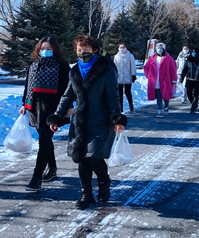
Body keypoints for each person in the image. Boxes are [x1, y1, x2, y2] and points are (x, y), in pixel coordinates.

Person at [47, 35, 126, 209]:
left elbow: (113, 97)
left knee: (94, 157)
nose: (82, 53)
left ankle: (104, 181)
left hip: (100, 120)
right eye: (79, 50)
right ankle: (86, 194)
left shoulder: (106, 70)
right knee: (81, 158)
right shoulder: (74, 71)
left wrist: (117, 119)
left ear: (95, 50)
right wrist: (58, 116)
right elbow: (67, 96)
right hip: (80, 121)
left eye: (86, 50)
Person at [19, 37, 71, 192]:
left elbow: (69, 89)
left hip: (52, 109)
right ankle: (52, 167)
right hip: (35, 108)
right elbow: (28, 85)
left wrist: (68, 107)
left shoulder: (62, 66)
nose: (45, 51)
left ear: (55, 50)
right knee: (45, 140)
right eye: (42, 48)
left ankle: (37, 177)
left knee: (44, 140)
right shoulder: (34, 64)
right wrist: (24, 104)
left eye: (48, 49)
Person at [144, 42, 177, 118]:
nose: (159, 50)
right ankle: (159, 109)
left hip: (165, 80)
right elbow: (146, 67)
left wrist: (174, 79)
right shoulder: (152, 58)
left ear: (164, 49)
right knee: (158, 95)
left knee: (165, 95)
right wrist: (149, 76)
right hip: (156, 81)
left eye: (161, 48)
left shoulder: (169, 58)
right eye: (158, 48)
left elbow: (173, 69)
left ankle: (166, 106)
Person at [179, 48, 199, 114]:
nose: (193, 53)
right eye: (192, 52)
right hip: (189, 79)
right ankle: (194, 103)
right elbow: (184, 70)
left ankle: (193, 108)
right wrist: (181, 78)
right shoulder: (188, 61)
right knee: (189, 93)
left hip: (198, 80)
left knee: (196, 94)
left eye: (194, 52)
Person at [113, 43, 137, 114]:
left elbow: (133, 66)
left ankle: (131, 105)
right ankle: (120, 108)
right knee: (119, 93)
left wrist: (133, 75)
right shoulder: (116, 56)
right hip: (119, 77)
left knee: (127, 92)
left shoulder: (130, 56)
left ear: (126, 48)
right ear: (118, 48)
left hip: (127, 76)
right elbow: (114, 67)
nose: (122, 49)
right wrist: (114, 75)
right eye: (120, 47)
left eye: (123, 47)